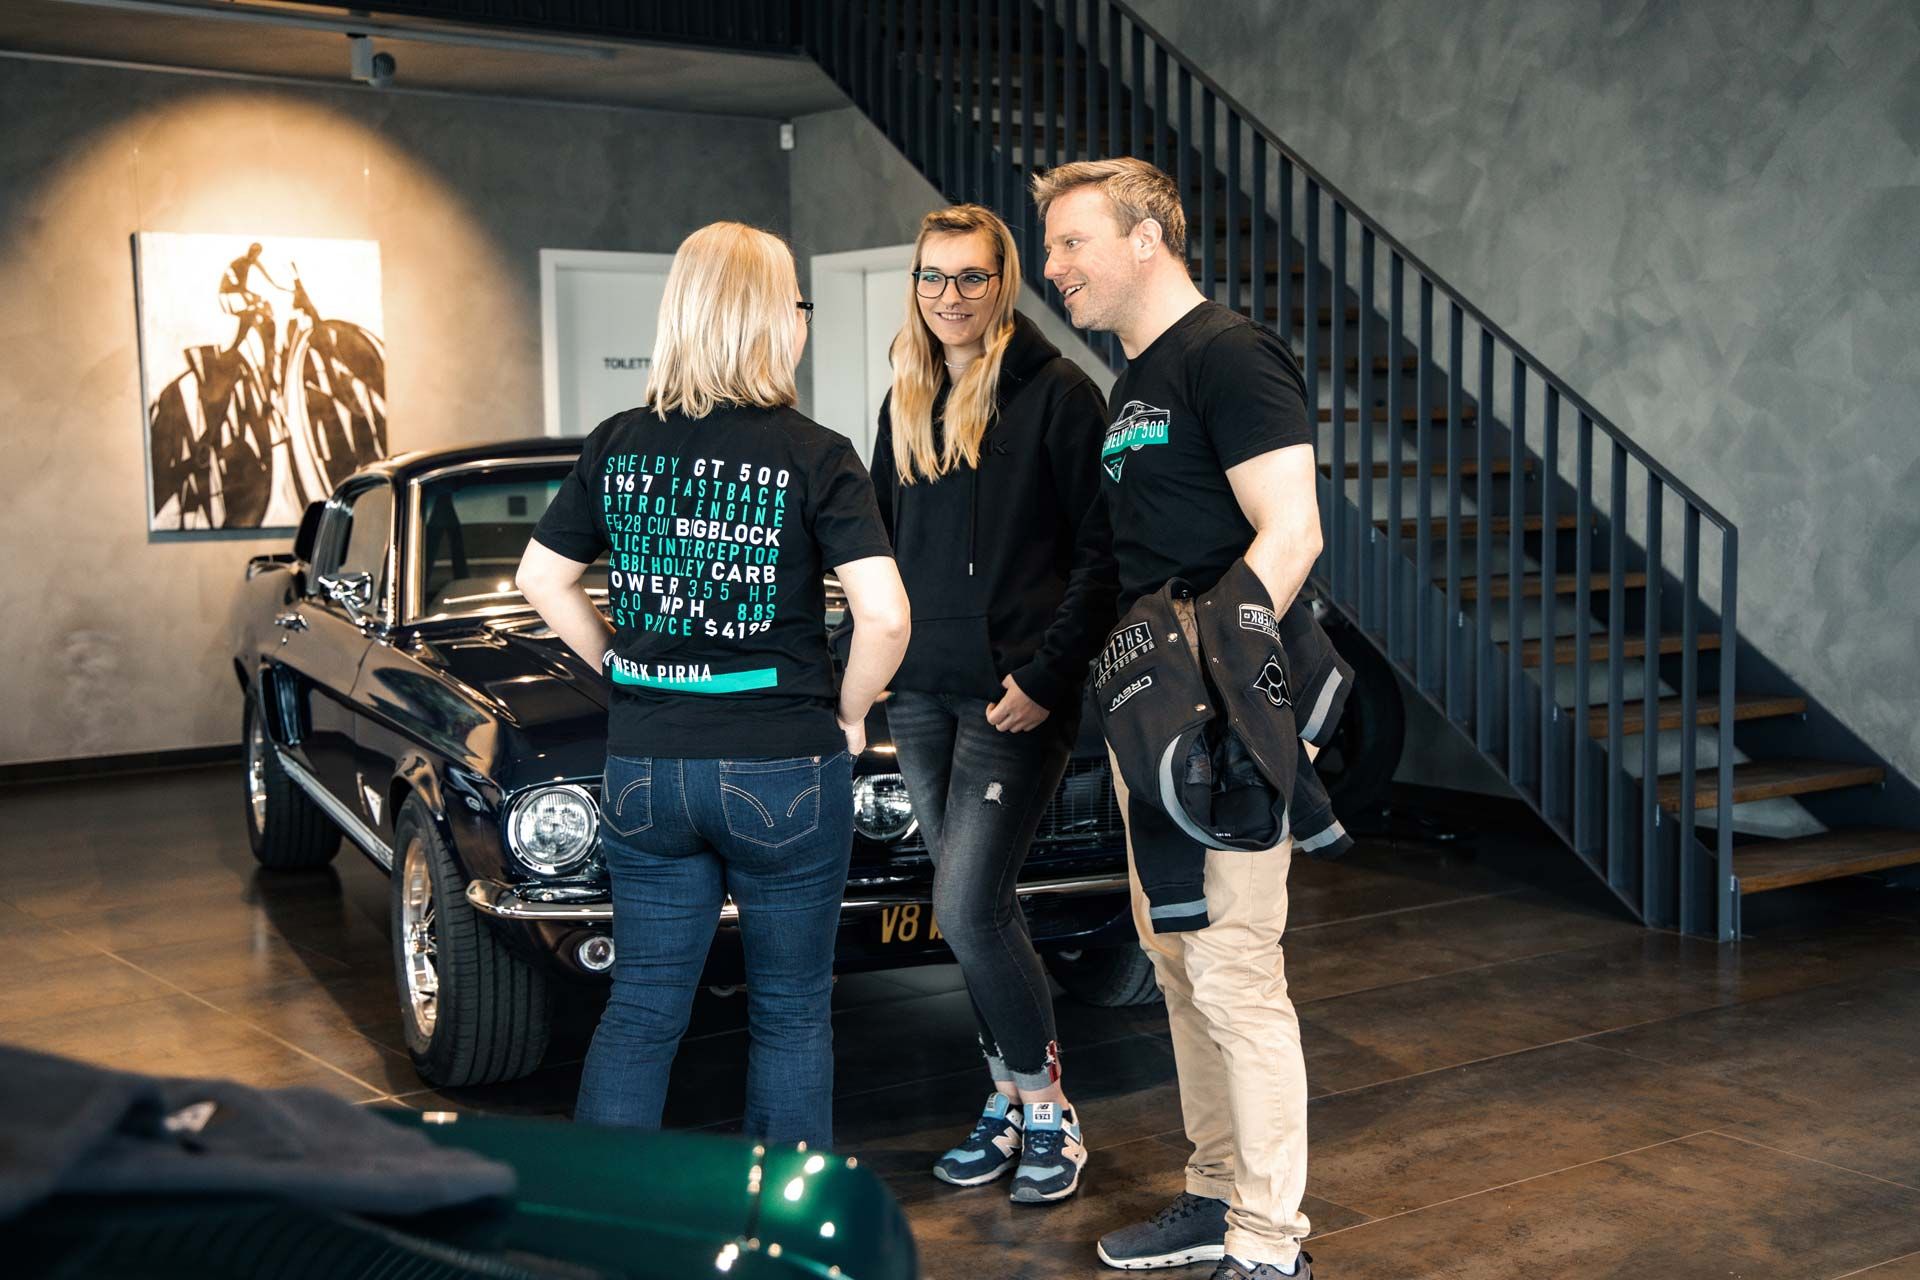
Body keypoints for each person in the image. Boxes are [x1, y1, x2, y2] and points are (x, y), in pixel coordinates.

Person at [516, 222, 910, 1152]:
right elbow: (887, 618)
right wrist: (849, 713)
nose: (804, 320)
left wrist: (623, 668)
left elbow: (541, 578)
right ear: (774, 318)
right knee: (790, 1012)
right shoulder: (816, 453)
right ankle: (780, 1218)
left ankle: (607, 1216)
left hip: (646, 767)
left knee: (642, 1007)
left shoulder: (618, 443)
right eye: (798, 304)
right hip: (782, 766)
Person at [1034, 159, 1323, 1280]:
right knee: (1177, 958)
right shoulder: (1133, 385)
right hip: (1152, 724)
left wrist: (1224, 700)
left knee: (1236, 968)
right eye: (1051, 247)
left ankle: (1270, 1241)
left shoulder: (1229, 356)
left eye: (1072, 242)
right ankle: (1214, 1193)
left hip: (1224, 723)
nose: (1053, 267)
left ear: (1147, 237)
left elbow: (1290, 533)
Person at [870, 204, 1115, 1203]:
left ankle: (1052, 1111)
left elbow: (1103, 556)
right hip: (919, 695)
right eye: (934, 277)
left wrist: (1048, 677)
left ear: (1002, 283)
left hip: (1012, 698)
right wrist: (868, 667)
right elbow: (879, 550)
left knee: (970, 907)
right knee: (970, 907)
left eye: (972, 276)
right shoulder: (906, 395)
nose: (951, 296)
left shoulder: (1060, 395)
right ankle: (1007, 1097)